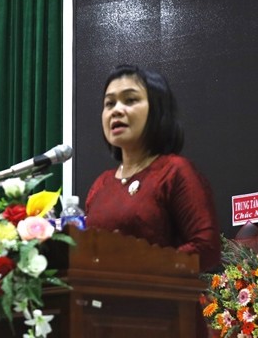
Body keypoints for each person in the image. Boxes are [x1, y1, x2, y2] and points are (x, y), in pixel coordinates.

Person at [85, 65, 220, 336]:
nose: (116, 110)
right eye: (109, 103)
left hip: (166, 322)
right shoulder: (100, 185)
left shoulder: (174, 172)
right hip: (108, 323)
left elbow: (206, 248)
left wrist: (136, 267)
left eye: (130, 100)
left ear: (157, 109)